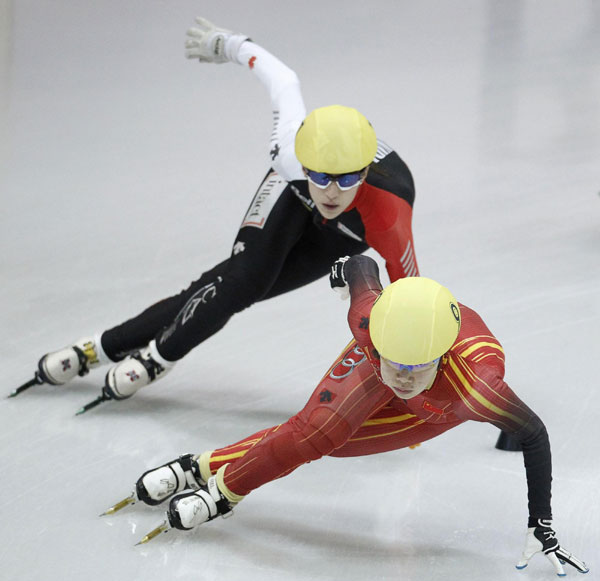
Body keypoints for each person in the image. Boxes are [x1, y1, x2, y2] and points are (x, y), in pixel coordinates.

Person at [13, 18, 419, 406]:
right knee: (240, 283)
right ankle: (141, 354)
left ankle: (109, 347)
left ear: (365, 172)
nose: (331, 191)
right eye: (321, 175)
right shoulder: (290, 157)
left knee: (237, 289)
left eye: (346, 180)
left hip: (347, 230)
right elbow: (283, 82)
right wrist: (228, 43)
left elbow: (412, 302)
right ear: (303, 162)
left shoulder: (388, 216)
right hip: (291, 194)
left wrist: (415, 379)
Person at [113, 255, 588, 576]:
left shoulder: (478, 385)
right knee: (315, 432)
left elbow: (534, 433)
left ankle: (203, 466)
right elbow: (364, 267)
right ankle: (212, 480)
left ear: (441, 357)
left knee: (338, 445)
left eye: (413, 367)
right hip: (378, 363)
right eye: (392, 360)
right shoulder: (368, 322)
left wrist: (540, 522)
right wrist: (342, 270)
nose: (401, 376)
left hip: (440, 404)